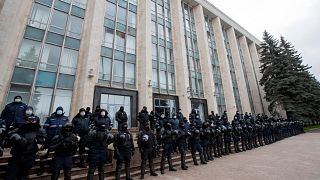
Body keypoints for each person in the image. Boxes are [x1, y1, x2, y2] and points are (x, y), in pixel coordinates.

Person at [6, 112, 46, 180]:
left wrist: (40, 144)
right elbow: (9, 135)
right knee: (10, 176)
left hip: (30, 157)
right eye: (29, 120)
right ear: (26, 121)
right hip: (17, 156)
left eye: (33, 121)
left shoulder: (39, 131)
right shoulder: (20, 129)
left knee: (23, 175)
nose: (31, 122)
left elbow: (44, 142)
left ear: (36, 121)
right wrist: (15, 137)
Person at [38, 106, 69, 176]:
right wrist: (44, 137)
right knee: (44, 155)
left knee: (56, 155)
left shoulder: (65, 119)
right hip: (49, 139)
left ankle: (51, 168)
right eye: (58, 110)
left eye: (61, 110)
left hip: (59, 140)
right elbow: (45, 128)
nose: (60, 111)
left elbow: (68, 129)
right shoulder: (50, 118)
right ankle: (41, 169)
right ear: (56, 111)